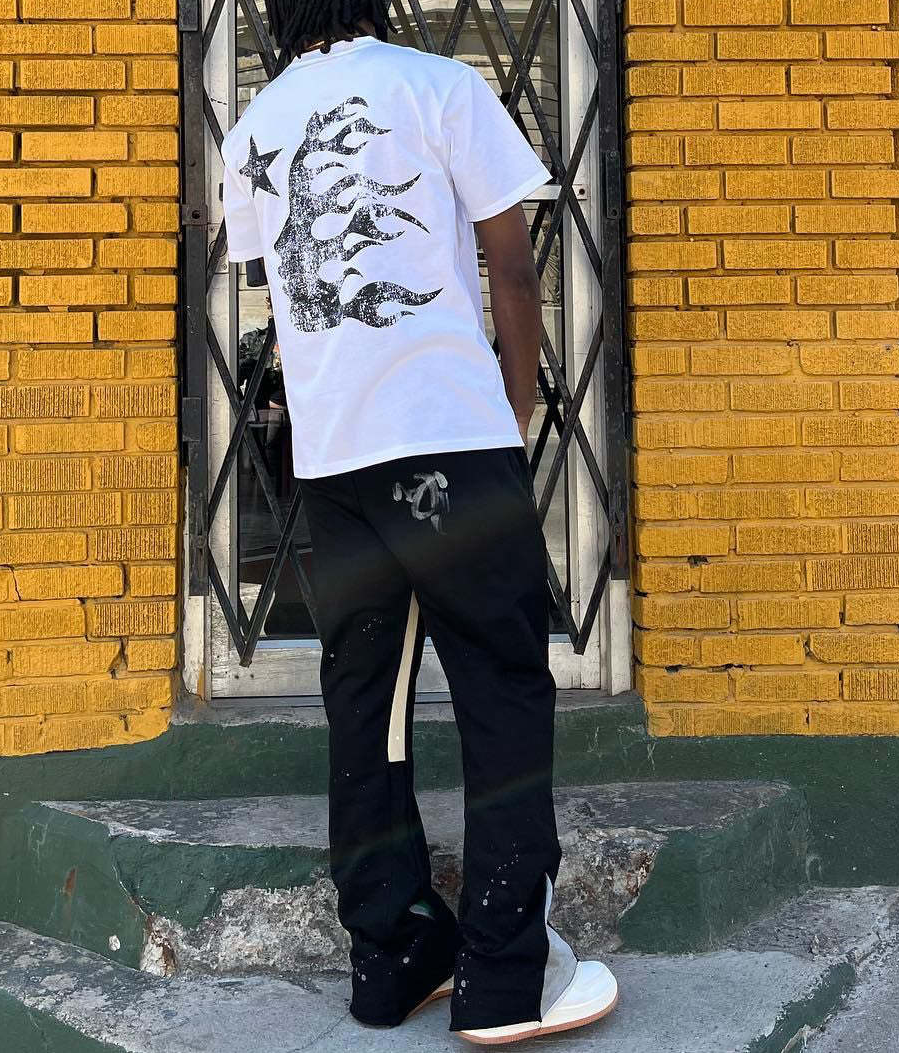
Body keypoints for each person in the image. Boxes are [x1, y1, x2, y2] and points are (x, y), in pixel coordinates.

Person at [220, 0, 619, 1043]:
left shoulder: (255, 122)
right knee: (499, 690)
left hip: (335, 461)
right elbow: (513, 266)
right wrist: (513, 414)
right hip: (448, 440)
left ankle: (391, 958)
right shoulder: (440, 86)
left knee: (368, 705)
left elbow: (280, 290)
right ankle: (507, 978)